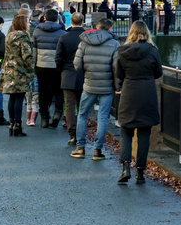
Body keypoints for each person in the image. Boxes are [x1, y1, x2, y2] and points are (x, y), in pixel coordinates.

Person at [115, 21, 164, 185]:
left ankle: (125, 168)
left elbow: (119, 74)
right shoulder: (153, 51)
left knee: (126, 133)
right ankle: (141, 172)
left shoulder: (123, 51)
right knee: (144, 134)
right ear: (147, 33)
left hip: (129, 94)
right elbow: (158, 72)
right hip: (147, 95)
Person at [71, 17, 119, 161]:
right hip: (107, 86)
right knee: (103, 117)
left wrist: (87, 73)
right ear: (110, 29)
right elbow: (116, 68)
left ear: (97, 27)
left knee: (82, 115)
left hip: (89, 84)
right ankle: (98, 151)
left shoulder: (84, 42)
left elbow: (77, 64)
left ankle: (80, 148)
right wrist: (117, 86)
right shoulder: (114, 44)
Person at [0, 15, 35, 137]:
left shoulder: (9, 35)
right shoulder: (23, 37)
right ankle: (18, 126)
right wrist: (31, 70)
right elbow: (27, 56)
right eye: (28, 22)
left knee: (12, 98)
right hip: (20, 70)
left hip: (9, 68)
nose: (29, 24)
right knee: (19, 97)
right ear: (22, 24)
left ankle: (12, 125)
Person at [56, 12, 86, 146]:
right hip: (83, 74)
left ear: (71, 22)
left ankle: (72, 133)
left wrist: (61, 69)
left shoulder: (64, 37)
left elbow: (58, 58)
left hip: (67, 74)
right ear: (83, 22)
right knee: (82, 106)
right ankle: (81, 133)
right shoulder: (86, 38)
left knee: (69, 105)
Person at [34, 9, 66, 129]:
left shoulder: (37, 32)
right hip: (56, 67)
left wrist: (34, 68)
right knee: (58, 91)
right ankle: (57, 113)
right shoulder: (62, 34)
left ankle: (44, 118)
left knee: (43, 93)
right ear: (57, 19)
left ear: (45, 18)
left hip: (41, 66)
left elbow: (34, 52)